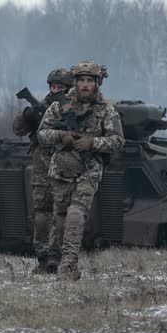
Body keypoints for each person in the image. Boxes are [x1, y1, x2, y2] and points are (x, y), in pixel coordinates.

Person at [37, 61, 125, 279]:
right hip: (61, 169)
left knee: (75, 214)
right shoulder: (59, 107)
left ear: (97, 83)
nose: (85, 85)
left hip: (89, 169)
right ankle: (54, 258)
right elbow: (42, 134)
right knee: (60, 218)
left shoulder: (106, 111)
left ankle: (68, 266)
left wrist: (92, 143)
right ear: (75, 82)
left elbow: (117, 141)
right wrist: (61, 136)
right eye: (81, 80)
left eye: (90, 81)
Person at [12, 68, 72, 273]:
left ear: (68, 88)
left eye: (60, 87)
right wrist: (26, 116)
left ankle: (57, 255)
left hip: (65, 164)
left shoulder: (73, 108)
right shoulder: (42, 106)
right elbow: (18, 129)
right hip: (41, 164)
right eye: (53, 86)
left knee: (62, 212)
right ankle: (43, 257)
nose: (55, 90)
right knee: (42, 211)